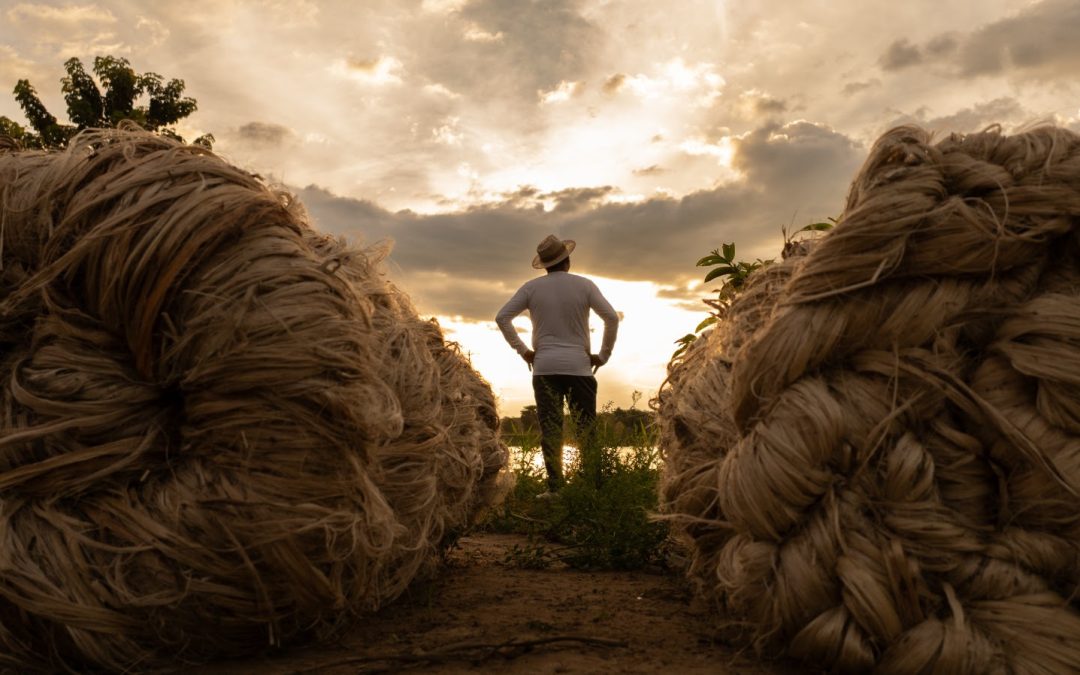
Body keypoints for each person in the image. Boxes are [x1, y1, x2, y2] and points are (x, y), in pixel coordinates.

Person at [496, 235, 619, 496]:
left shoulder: (531, 288)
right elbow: (611, 318)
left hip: (544, 368)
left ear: (545, 264)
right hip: (579, 367)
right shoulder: (585, 286)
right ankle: (593, 489)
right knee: (586, 428)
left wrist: (525, 352)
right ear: (568, 261)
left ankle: (555, 489)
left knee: (550, 428)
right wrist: (603, 355)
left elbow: (502, 317)